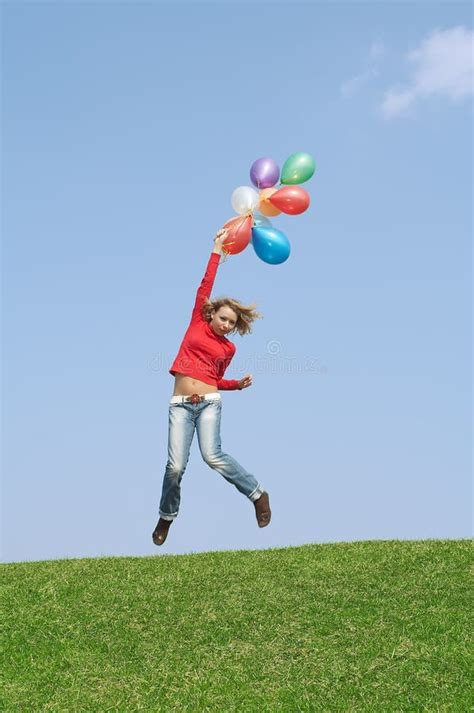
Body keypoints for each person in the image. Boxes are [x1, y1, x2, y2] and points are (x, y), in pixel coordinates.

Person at [152, 228, 271, 546]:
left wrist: (235, 385)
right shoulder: (197, 322)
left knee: (213, 456)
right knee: (175, 466)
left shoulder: (228, 350)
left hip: (208, 402)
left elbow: (214, 379)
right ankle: (167, 516)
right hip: (179, 404)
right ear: (212, 314)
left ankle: (258, 494)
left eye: (232, 322)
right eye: (223, 318)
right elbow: (205, 284)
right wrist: (217, 251)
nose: (227, 325)